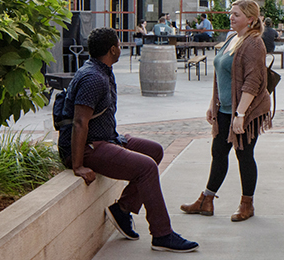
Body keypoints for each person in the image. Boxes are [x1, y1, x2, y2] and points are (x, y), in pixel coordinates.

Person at [57, 27, 198, 253]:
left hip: (106, 138)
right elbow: (79, 122)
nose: (121, 48)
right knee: (146, 167)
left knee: (155, 150)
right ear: (113, 49)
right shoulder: (93, 77)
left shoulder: (102, 70)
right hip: (89, 147)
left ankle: (122, 210)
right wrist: (77, 165)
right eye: (120, 45)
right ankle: (162, 234)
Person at [179, 0, 273, 223]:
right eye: (231, 13)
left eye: (236, 14)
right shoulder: (232, 38)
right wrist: (213, 104)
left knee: (244, 155)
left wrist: (240, 115)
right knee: (219, 152)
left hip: (246, 111)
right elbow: (219, 74)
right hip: (225, 109)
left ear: (250, 19)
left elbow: (253, 81)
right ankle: (206, 200)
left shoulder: (253, 43)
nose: (231, 17)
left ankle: (246, 204)